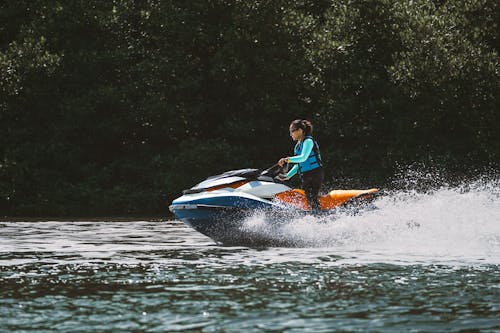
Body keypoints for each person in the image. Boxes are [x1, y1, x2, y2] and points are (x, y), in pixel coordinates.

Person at [277, 119, 324, 211]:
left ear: (300, 131)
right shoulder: (297, 146)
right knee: (309, 198)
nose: (291, 134)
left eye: (292, 131)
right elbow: (299, 164)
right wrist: (288, 176)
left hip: (315, 173)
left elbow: (303, 157)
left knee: (311, 197)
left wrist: (287, 159)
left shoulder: (308, 141)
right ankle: (314, 212)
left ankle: (318, 216)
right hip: (306, 175)